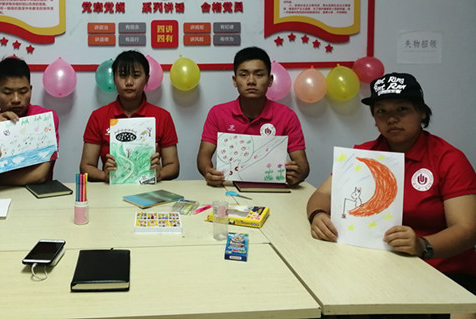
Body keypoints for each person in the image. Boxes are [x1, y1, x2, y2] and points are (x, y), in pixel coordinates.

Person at [307, 72, 476, 301]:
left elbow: (466, 230)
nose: (391, 119)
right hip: (377, 267)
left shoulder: (449, 159)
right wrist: (317, 216)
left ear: (422, 112)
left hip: (443, 270)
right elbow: (321, 194)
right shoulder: (364, 154)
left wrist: (423, 245)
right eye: (381, 111)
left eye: (402, 109)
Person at [197, 46, 310, 186]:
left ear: (270, 80)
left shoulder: (287, 116)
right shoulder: (218, 113)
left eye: (259, 74)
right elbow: (204, 156)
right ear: (234, 80)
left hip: (273, 190)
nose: (251, 81)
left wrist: (297, 174)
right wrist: (208, 172)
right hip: (228, 188)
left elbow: (303, 166)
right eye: (244, 75)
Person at [80, 50, 179, 183]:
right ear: (114, 79)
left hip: (151, 188)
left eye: (136, 75)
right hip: (111, 190)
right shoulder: (98, 116)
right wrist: (104, 176)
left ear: (147, 79)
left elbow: (173, 166)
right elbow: (86, 166)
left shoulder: (162, 117)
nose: (129, 82)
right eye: (122, 75)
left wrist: (160, 173)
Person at [0, 57, 60, 186]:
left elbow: (40, 175)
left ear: (30, 90)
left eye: (23, 92)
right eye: (7, 92)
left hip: (38, 194)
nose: (16, 99)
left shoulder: (46, 120)